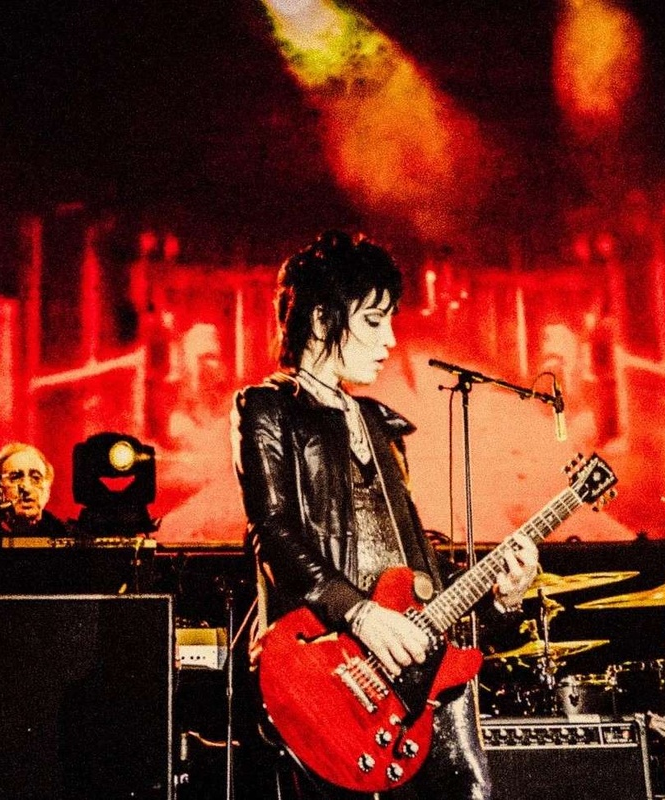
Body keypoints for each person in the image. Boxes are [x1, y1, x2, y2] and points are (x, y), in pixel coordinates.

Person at [231, 230, 539, 799]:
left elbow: (418, 573)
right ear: (322, 320)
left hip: (413, 682)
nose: (391, 339)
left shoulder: (381, 425)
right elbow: (271, 531)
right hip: (329, 671)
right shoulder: (269, 408)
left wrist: (502, 598)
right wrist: (363, 616)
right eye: (374, 321)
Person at [0, 442, 68, 538]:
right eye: (15, 478)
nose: (26, 488)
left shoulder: (66, 535)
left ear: (47, 490)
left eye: (36, 478)